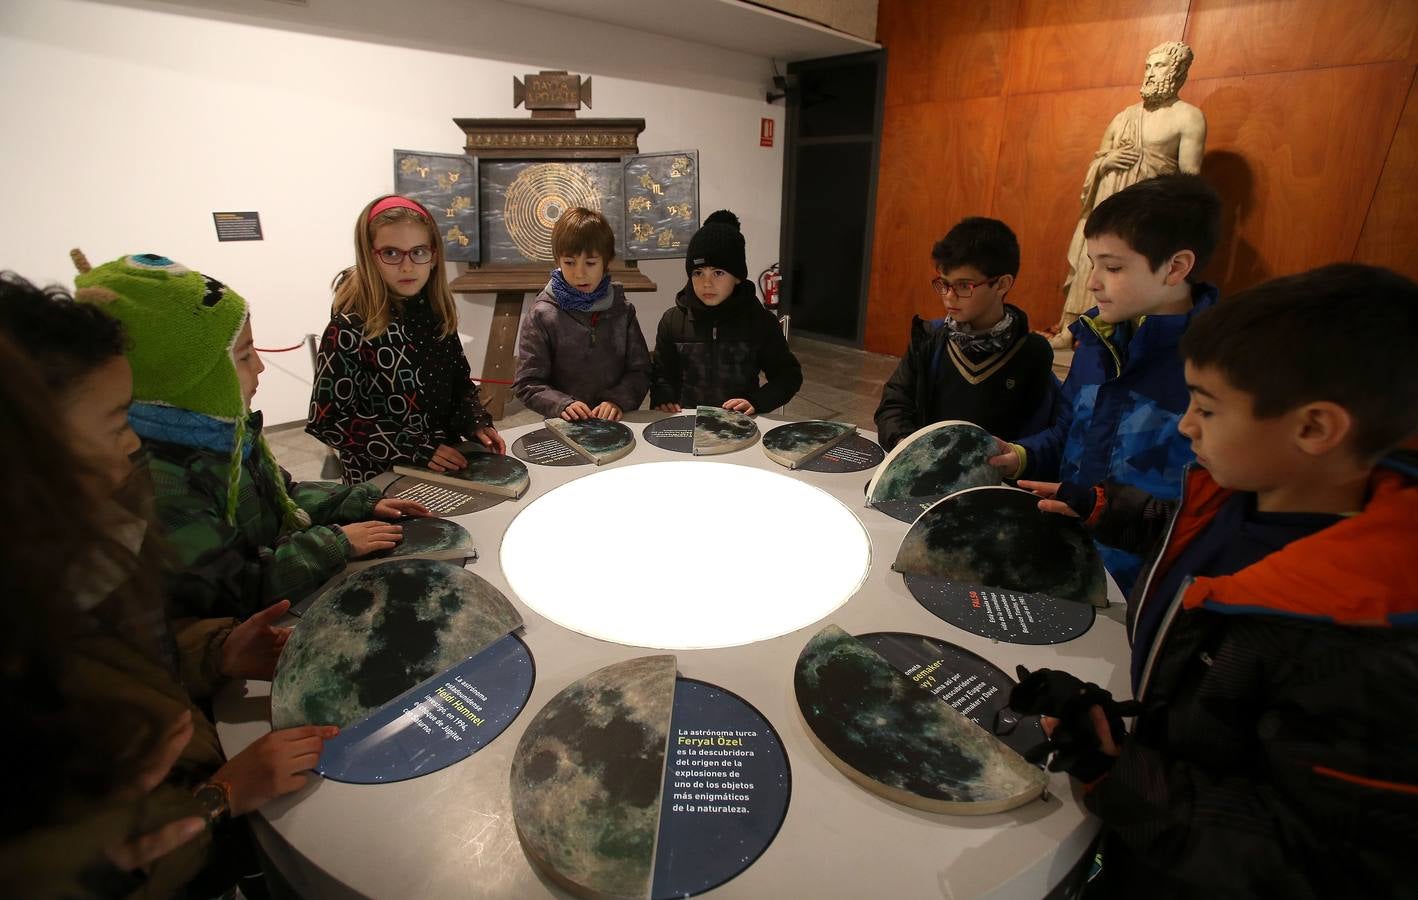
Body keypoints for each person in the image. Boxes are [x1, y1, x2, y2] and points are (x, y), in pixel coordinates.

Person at [1011, 264, 1418, 899]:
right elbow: (1191, 545)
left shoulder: (1365, 642)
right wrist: (1104, 507)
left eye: (1206, 408)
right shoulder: (1250, 493)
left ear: (1314, 428)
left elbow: (1317, 855)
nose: (1185, 426)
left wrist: (1117, 774)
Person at [0, 275, 339, 898]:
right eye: (111, 423)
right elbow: (62, 862)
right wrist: (217, 800)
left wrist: (213, 652)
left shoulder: (88, 548)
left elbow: (131, 649)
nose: (131, 443)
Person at [70, 251, 428, 620]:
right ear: (188, 376)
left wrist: (356, 501)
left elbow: (280, 497)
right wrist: (334, 544)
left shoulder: (225, 435)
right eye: (243, 356)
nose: (259, 365)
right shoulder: (163, 481)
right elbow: (229, 586)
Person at [991, 174, 1221, 592]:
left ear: (1176, 266)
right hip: (1067, 560)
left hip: (1146, 580)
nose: (1092, 282)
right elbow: (1070, 430)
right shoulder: (1098, 339)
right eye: (1092, 263)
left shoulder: (1217, 367)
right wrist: (1022, 456)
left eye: (1112, 267)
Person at [307, 194, 504, 483]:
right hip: (382, 480)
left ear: (434, 255)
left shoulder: (436, 314)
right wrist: (415, 447)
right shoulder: (350, 328)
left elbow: (459, 385)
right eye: (391, 253)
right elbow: (328, 421)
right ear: (369, 255)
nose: (408, 266)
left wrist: (475, 421)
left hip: (447, 464)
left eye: (418, 252)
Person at [1052, 40, 1206, 347]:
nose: (1150, 73)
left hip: (1147, 213)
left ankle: (1128, 337)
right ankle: (1074, 328)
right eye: (1148, 66)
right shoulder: (1124, 117)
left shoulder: (1188, 117)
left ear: (1177, 71)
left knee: (1132, 268)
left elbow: (1190, 182)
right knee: (1092, 261)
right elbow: (1099, 159)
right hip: (1107, 204)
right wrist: (1106, 162)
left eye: (1159, 65)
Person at [873, 217, 1057, 452]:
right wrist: (906, 445)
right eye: (944, 284)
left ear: (1002, 284)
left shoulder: (1032, 352)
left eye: (963, 286)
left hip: (996, 480)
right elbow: (894, 403)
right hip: (927, 471)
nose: (949, 296)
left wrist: (1016, 458)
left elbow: (1042, 435)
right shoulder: (930, 337)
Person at [649, 210, 802, 416]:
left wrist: (756, 401)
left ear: (737, 277)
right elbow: (662, 375)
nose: (707, 283)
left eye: (718, 273)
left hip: (739, 424)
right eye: (698, 273)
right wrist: (663, 397)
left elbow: (788, 375)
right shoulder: (672, 321)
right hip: (686, 423)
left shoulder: (760, 322)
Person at [513, 207, 651, 421]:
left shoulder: (622, 310)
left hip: (615, 420)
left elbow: (640, 370)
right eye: (569, 262)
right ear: (558, 260)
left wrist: (617, 400)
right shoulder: (542, 314)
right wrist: (561, 404)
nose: (579, 273)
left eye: (590, 263)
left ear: (606, 261)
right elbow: (527, 382)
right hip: (565, 423)